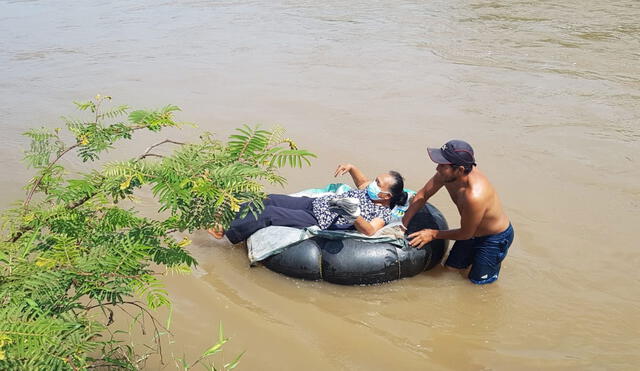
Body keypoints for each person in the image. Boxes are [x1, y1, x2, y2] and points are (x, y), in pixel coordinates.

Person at [401, 140, 514, 284]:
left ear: (460, 170)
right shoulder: (446, 175)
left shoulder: (475, 195)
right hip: (470, 232)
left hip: (493, 238)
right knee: (450, 268)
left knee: (477, 284)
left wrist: (433, 234)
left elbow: (465, 234)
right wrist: (403, 224)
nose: (437, 168)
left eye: (443, 165)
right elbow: (423, 195)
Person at [208, 164, 408, 244]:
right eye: (376, 180)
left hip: (319, 218)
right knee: (268, 199)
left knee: (269, 213)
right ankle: (224, 217)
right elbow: (362, 181)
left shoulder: (382, 213)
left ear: (386, 196)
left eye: (378, 184)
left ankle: (225, 233)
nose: (373, 184)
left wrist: (354, 214)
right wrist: (351, 167)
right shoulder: (368, 189)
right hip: (314, 203)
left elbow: (371, 230)